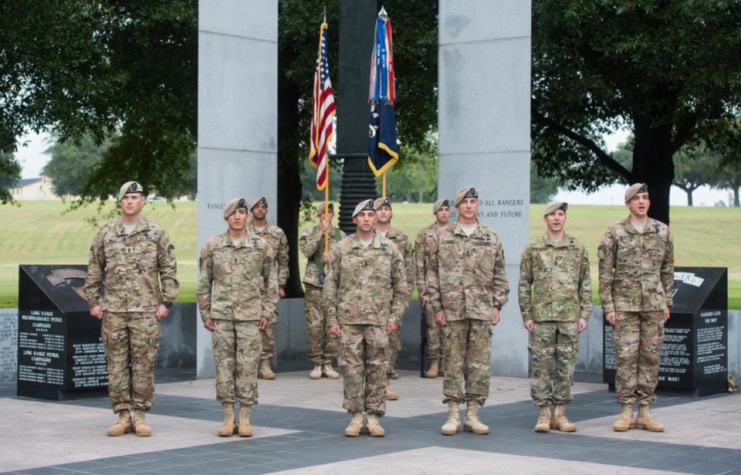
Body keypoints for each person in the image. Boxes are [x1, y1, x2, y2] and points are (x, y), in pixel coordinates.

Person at [84, 181, 178, 437]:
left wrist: (167, 301)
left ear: (143, 200)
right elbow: (94, 269)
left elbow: (168, 268)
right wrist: (93, 301)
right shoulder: (106, 233)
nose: (130, 202)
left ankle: (141, 416)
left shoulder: (156, 233)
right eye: (126, 197)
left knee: (143, 365)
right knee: (116, 365)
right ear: (120, 201)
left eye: (135, 197)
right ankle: (123, 416)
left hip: (145, 311)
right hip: (113, 311)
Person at [427, 186, 508, 436]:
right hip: (452, 312)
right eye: (465, 202)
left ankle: (472, 414)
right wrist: (437, 307)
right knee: (452, 363)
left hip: (482, 310)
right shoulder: (441, 236)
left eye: (473, 201)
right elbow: (431, 275)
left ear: (479, 205)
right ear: (457, 207)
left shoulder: (491, 236)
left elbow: (500, 274)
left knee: (479, 365)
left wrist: (497, 304)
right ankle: (453, 414)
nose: (469, 206)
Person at [324, 199, 408, 437]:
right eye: (363, 215)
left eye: (371, 215)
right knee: (351, 370)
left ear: (376, 218)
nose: (367, 219)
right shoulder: (342, 248)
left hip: (380, 321)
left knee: (377, 370)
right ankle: (355, 416)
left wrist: (395, 317)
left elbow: (401, 287)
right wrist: (332, 319)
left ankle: (373, 417)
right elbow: (331, 285)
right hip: (348, 321)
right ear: (355, 220)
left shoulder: (389, 248)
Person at [197, 198, 278, 437]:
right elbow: (204, 283)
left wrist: (268, 313)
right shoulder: (213, 245)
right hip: (221, 318)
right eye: (233, 213)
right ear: (226, 218)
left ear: (247, 216)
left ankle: (244, 418)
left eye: (242, 212)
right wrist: (206, 313)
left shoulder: (261, 246)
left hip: (250, 318)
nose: (237, 217)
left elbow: (271, 283)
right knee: (224, 367)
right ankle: (227, 417)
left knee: (248, 368)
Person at [599, 183, 674, 432]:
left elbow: (667, 269)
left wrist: (666, 302)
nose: (642, 202)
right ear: (628, 203)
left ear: (649, 202)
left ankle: (645, 411)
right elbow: (605, 272)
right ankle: (625, 411)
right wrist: (608, 305)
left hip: (653, 305)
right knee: (626, 359)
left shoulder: (662, 231)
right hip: (624, 306)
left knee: (650, 358)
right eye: (636, 198)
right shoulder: (615, 232)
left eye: (645, 198)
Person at [519, 201, 593, 433]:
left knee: (566, 366)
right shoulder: (534, 248)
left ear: (565, 218)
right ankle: (543, 414)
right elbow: (524, 284)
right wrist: (526, 313)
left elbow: (586, 283)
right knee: (541, 367)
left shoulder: (577, 248)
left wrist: (585, 313)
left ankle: (560, 413)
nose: (557, 218)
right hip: (541, 318)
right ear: (545, 219)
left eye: (561, 214)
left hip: (570, 318)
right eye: (552, 215)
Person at [373, 197, 414, 400]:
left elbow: (408, 268)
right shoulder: (364, 236)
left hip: (391, 298)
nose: (383, 212)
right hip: (368, 299)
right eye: (379, 209)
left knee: (390, 340)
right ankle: (370, 382)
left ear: (391, 213)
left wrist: (404, 294)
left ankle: (386, 382)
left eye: (386, 209)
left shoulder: (401, 237)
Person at [299, 203, 346, 379]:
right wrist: (320, 233)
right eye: (323, 213)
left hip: (334, 286)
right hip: (314, 286)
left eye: (330, 213)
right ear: (318, 216)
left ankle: (329, 363)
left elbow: (349, 258)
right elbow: (306, 251)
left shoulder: (341, 236)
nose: (326, 216)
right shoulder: (308, 233)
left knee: (333, 326)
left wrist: (333, 256)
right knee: (315, 327)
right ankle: (317, 363)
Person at [247, 197, 289, 380]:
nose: (260, 210)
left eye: (263, 207)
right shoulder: (243, 231)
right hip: (248, 287)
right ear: (251, 211)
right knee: (247, 324)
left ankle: (264, 364)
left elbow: (283, 260)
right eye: (257, 207)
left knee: (268, 324)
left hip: (270, 286)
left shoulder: (277, 233)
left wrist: (281, 284)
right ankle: (248, 364)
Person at [414, 199, 451, 378]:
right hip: (431, 287)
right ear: (435, 213)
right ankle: (434, 362)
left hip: (451, 288)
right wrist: (421, 288)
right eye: (440, 210)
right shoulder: (424, 234)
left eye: (446, 209)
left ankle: (446, 362)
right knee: (432, 326)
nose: (444, 212)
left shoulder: (455, 232)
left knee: (449, 327)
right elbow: (419, 265)